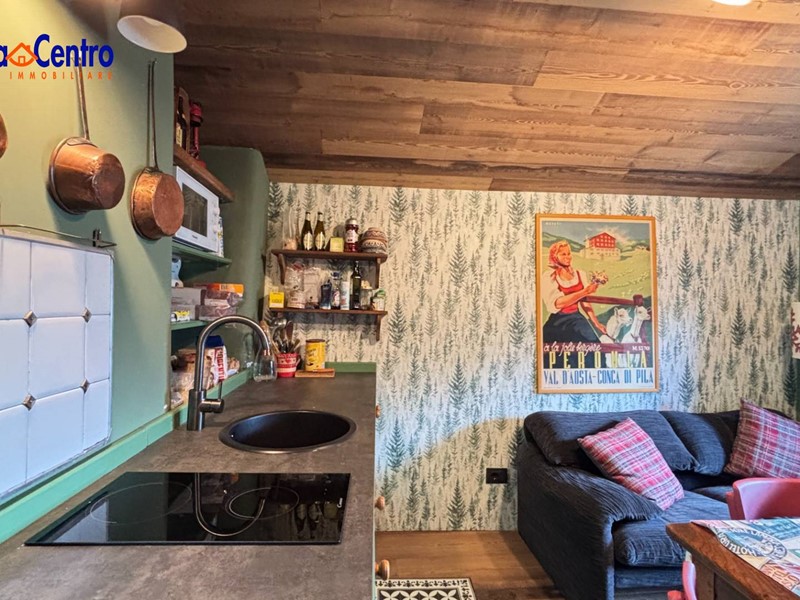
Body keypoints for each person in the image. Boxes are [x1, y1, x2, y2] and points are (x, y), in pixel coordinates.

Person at [540, 240, 606, 367]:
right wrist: (585, 291)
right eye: (563, 254)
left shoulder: (580, 274)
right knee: (551, 351)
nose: (568, 257)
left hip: (576, 318)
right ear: (555, 256)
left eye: (569, 253)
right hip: (558, 320)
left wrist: (596, 323)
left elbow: (585, 302)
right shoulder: (549, 277)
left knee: (594, 347)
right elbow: (558, 303)